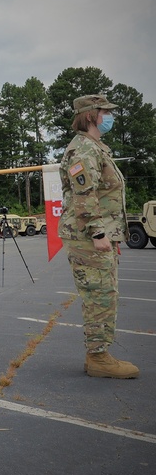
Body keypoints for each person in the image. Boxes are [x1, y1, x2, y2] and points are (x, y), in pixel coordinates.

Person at [58, 94, 137, 378]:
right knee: (99, 294)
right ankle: (98, 358)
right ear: (91, 115)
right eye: (106, 111)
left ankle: (100, 353)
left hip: (95, 235)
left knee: (103, 292)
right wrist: (98, 233)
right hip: (86, 235)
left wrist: (110, 235)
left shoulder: (94, 147)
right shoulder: (83, 150)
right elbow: (84, 194)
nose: (110, 116)